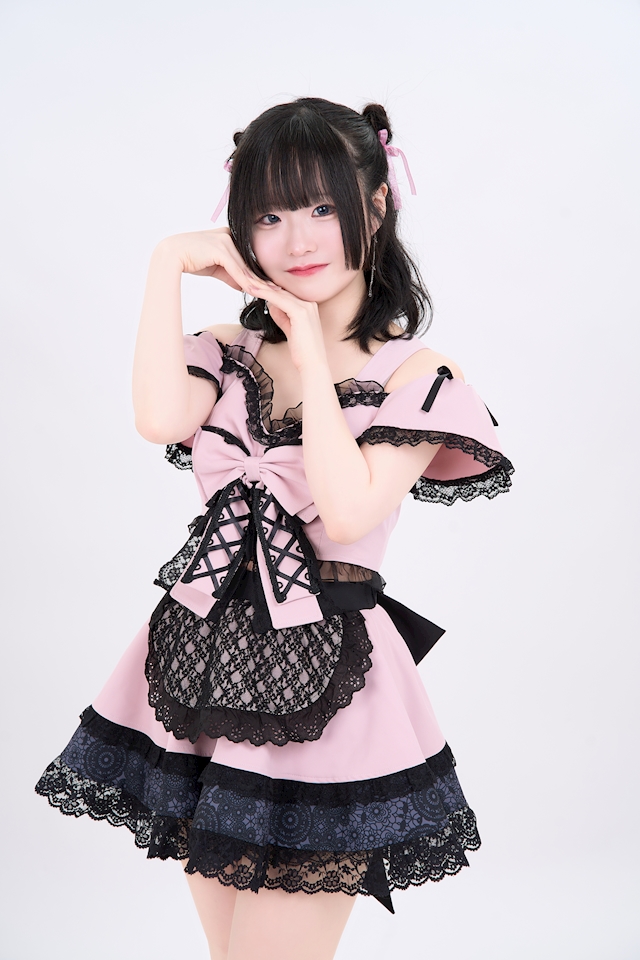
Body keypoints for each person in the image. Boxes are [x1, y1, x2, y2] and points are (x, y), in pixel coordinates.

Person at [36, 97, 514, 960]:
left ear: (376, 205)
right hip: (201, 666)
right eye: (269, 215)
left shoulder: (416, 374)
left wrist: (311, 346)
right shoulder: (229, 351)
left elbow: (349, 508)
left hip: (331, 686)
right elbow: (157, 418)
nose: (297, 241)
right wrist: (165, 263)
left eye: (322, 207)